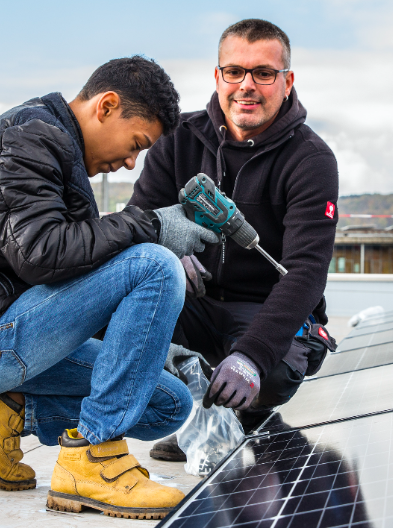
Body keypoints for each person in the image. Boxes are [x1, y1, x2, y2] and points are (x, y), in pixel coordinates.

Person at [0, 56, 218, 520]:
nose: (131, 162)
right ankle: (94, 460)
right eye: (136, 144)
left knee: (166, 403)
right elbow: (42, 254)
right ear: (107, 106)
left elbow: (75, 277)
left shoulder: (61, 153)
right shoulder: (25, 138)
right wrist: (150, 224)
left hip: (10, 325)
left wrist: (146, 342)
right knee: (155, 264)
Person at [128, 19, 339, 461]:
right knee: (111, 310)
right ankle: (194, 418)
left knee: (273, 372)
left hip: (263, 309)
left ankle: (243, 417)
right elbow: (136, 223)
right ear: (218, 77)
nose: (247, 86)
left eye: (264, 73)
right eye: (234, 72)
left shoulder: (311, 160)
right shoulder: (176, 141)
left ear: (287, 82)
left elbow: (305, 273)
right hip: (192, 302)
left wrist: (252, 357)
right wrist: (166, 253)